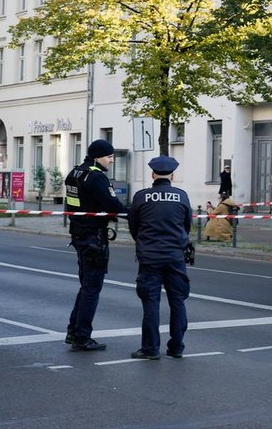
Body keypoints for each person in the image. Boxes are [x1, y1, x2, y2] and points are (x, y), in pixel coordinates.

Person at [64, 139, 128, 352]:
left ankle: (74, 332)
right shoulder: (97, 177)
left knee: (86, 286)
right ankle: (82, 336)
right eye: (109, 156)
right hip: (93, 237)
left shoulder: (75, 174)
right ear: (98, 156)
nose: (111, 160)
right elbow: (113, 205)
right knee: (92, 288)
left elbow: (74, 205)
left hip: (79, 234)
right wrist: (137, 215)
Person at [128, 156, 192, 359]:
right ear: (172, 175)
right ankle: (176, 347)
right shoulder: (181, 196)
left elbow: (133, 227)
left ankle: (150, 348)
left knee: (151, 303)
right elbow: (187, 226)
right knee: (178, 301)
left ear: (152, 174)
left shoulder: (141, 197)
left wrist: (144, 242)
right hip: (175, 257)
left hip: (149, 257)